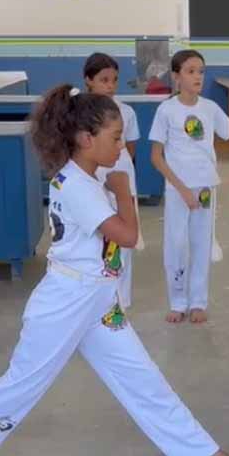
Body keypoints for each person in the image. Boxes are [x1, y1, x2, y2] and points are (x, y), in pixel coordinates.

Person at [0, 85, 229, 456]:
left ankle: (201, 452)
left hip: (98, 299)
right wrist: (123, 188)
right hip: (67, 301)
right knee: (21, 384)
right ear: (85, 139)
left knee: (141, 378)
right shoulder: (79, 186)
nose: (121, 146)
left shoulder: (85, 177)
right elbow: (128, 235)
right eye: (115, 138)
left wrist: (113, 183)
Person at [149, 50, 229, 324]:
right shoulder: (167, 110)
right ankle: (178, 302)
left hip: (205, 188)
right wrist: (182, 189)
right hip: (177, 189)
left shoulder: (210, 108)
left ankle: (197, 302)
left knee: (201, 243)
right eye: (191, 71)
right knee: (176, 244)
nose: (198, 77)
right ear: (176, 76)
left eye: (201, 71)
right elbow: (156, 157)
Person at [84, 52, 143, 308]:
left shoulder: (126, 111)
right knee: (98, 238)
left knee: (124, 237)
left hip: (121, 177)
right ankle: (99, 299)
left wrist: (119, 175)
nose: (110, 86)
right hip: (93, 178)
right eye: (104, 80)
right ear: (88, 80)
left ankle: (121, 301)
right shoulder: (80, 111)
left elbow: (130, 147)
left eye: (114, 80)